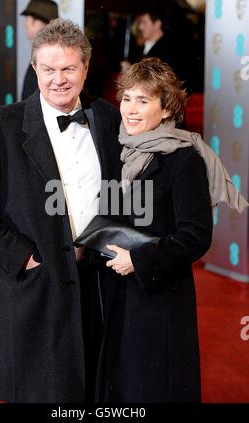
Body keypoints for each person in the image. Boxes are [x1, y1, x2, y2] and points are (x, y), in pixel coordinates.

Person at [0, 18, 122, 403]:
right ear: (35, 68)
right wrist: (24, 257)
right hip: (34, 284)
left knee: (96, 388)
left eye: (68, 68)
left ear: (86, 67)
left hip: (97, 281)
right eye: (48, 69)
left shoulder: (107, 118)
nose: (58, 79)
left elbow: (119, 191)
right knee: (38, 390)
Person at [96, 58, 247, 402]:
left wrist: (139, 260)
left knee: (151, 385)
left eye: (143, 101)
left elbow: (195, 235)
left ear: (166, 110)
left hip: (157, 296)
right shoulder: (119, 150)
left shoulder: (184, 159)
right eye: (127, 98)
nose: (131, 110)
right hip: (115, 292)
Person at [21, 0, 58, 100]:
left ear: (37, 23)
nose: (25, 24)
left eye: (27, 19)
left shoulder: (49, 59)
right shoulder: (44, 55)